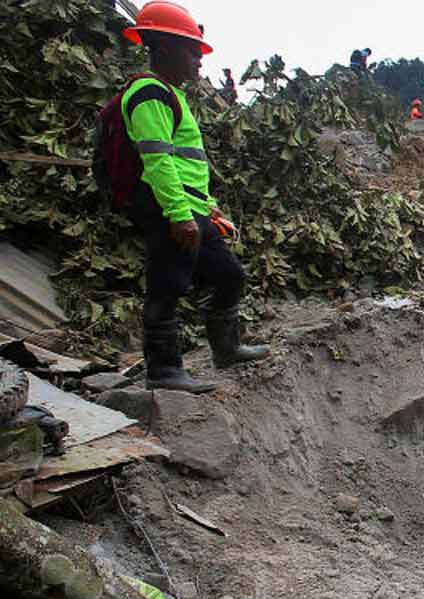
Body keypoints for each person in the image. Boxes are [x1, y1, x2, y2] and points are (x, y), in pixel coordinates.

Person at [118, 2, 268, 394]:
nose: (199, 61)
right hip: (169, 209)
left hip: (190, 206)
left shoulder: (171, 95)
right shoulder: (148, 93)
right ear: (164, 48)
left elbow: (183, 163)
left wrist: (207, 207)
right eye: (192, 51)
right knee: (167, 285)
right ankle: (164, 371)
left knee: (228, 274)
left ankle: (227, 348)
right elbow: (158, 160)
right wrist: (179, 214)